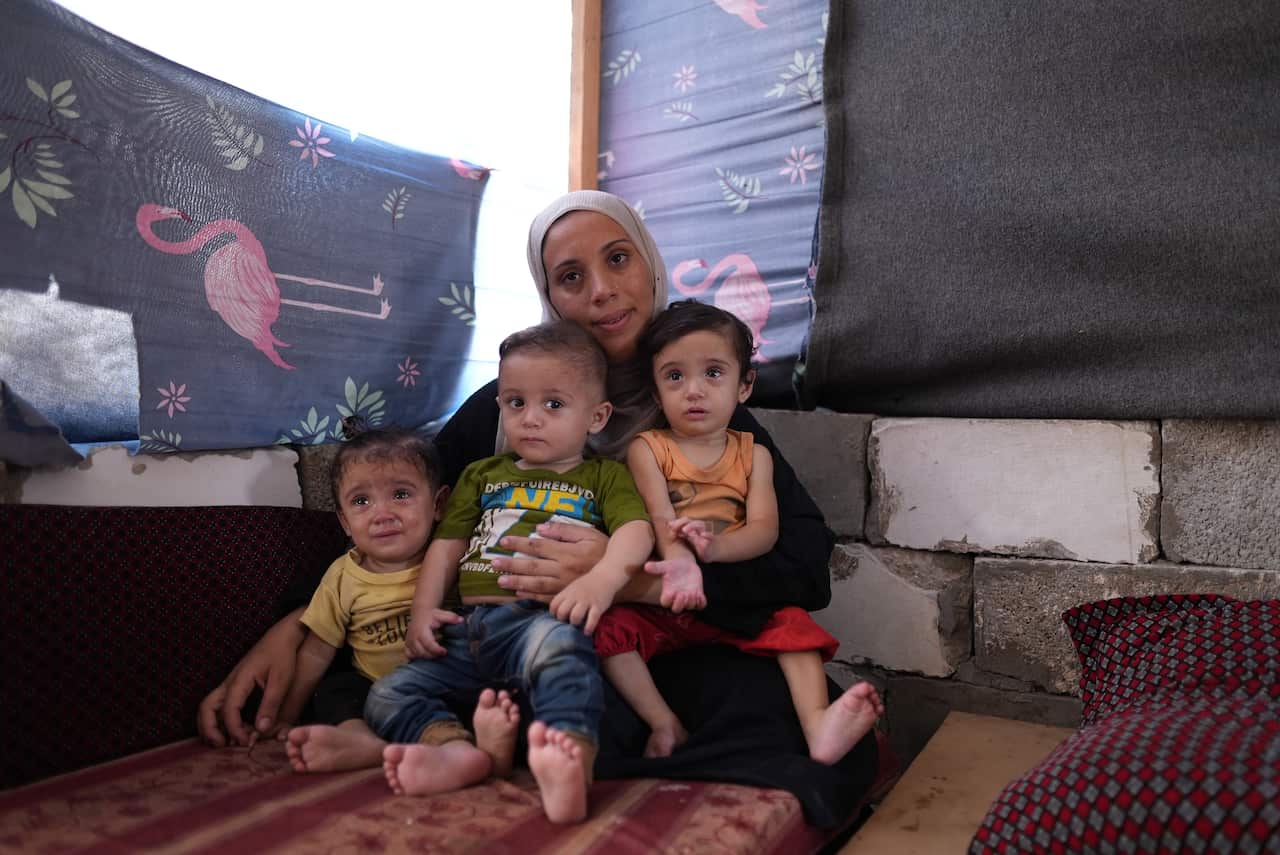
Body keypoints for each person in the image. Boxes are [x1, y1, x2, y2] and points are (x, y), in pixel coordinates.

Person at [197, 190, 880, 829]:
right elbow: (399, 508)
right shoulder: (513, 404)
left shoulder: (698, 401)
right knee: (416, 676)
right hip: (514, 639)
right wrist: (296, 621)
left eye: (617, 259)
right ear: (548, 295)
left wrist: (632, 577)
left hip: (653, 647)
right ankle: (483, 738)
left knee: (785, 706)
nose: (602, 289)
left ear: (649, 264)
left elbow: (803, 565)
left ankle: (518, 741)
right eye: (570, 276)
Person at [365, 321, 653, 823]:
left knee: (565, 656)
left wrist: (600, 581)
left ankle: (571, 763)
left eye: (554, 405)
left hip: (537, 624)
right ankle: (455, 749)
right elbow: (446, 546)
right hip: (466, 631)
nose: (531, 419)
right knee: (388, 692)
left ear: (596, 416)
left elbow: (637, 533)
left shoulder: (604, 476)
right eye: (516, 403)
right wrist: (423, 612)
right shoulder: (482, 474)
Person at [595, 299, 884, 761]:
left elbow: (766, 531)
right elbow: (659, 517)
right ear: (655, 393)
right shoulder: (647, 448)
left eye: (713, 373)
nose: (694, 390)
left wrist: (713, 551)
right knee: (608, 634)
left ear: (744, 385)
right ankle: (663, 723)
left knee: (796, 630)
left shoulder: (755, 455)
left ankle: (819, 727)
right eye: (674, 377)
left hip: (728, 603)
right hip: (667, 597)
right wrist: (682, 566)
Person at [268, 427, 523, 775]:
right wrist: (286, 718)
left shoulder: (450, 563)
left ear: (439, 505)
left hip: (443, 683)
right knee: (335, 689)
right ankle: (363, 743)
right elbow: (315, 653)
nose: (381, 513)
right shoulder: (342, 576)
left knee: (493, 687)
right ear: (343, 521)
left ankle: (471, 747)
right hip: (373, 690)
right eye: (361, 502)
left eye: (401, 494)